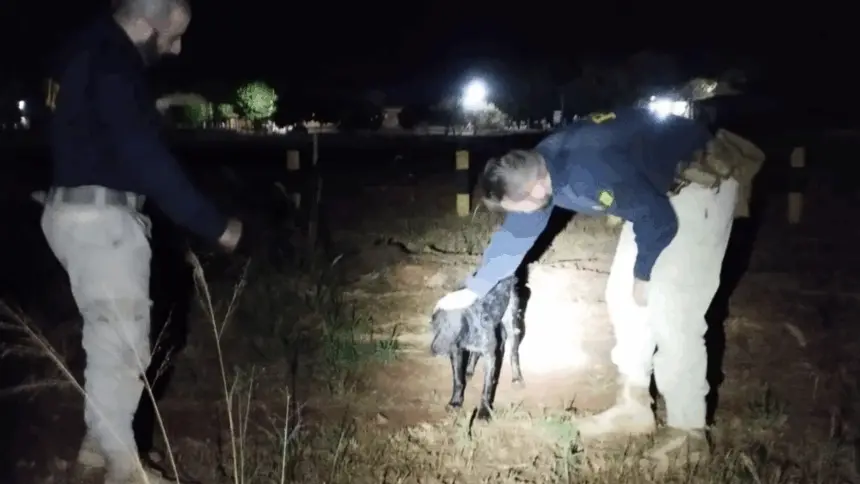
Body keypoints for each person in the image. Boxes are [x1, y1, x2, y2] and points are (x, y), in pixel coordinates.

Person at [433, 107, 737, 468]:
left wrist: (644, 274)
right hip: (648, 190)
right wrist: (473, 290)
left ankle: (689, 433)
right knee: (622, 298)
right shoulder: (539, 169)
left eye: (520, 206)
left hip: (696, 184)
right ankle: (634, 405)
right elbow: (517, 233)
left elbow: (658, 220)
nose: (521, 214)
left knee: (671, 308)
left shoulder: (587, 171)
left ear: (537, 187)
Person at [40, 0, 242, 482]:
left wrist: (148, 111)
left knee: (110, 337)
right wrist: (214, 224)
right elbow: (146, 160)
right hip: (101, 222)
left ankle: (98, 444)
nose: (177, 49)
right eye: (173, 35)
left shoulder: (85, 48)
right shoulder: (115, 63)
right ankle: (124, 469)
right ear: (146, 22)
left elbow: (90, 124)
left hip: (72, 211)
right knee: (122, 346)